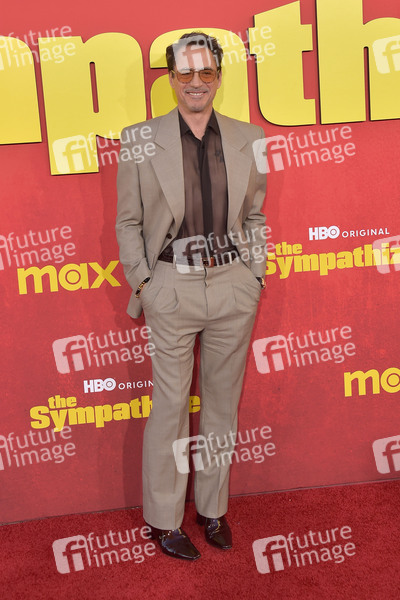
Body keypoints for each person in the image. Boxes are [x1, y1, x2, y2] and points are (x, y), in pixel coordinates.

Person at [116, 31, 267, 560]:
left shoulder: (250, 137)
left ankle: (212, 510)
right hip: (170, 287)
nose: (196, 82)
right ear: (171, 77)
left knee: (223, 406)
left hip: (233, 286)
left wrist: (255, 275)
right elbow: (128, 222)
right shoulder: (139, 138)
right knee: (170, 408)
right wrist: (144, 283)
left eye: (206, 72)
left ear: (218, 76)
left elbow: (255, 216)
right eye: (185, 72)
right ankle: (163, 520)